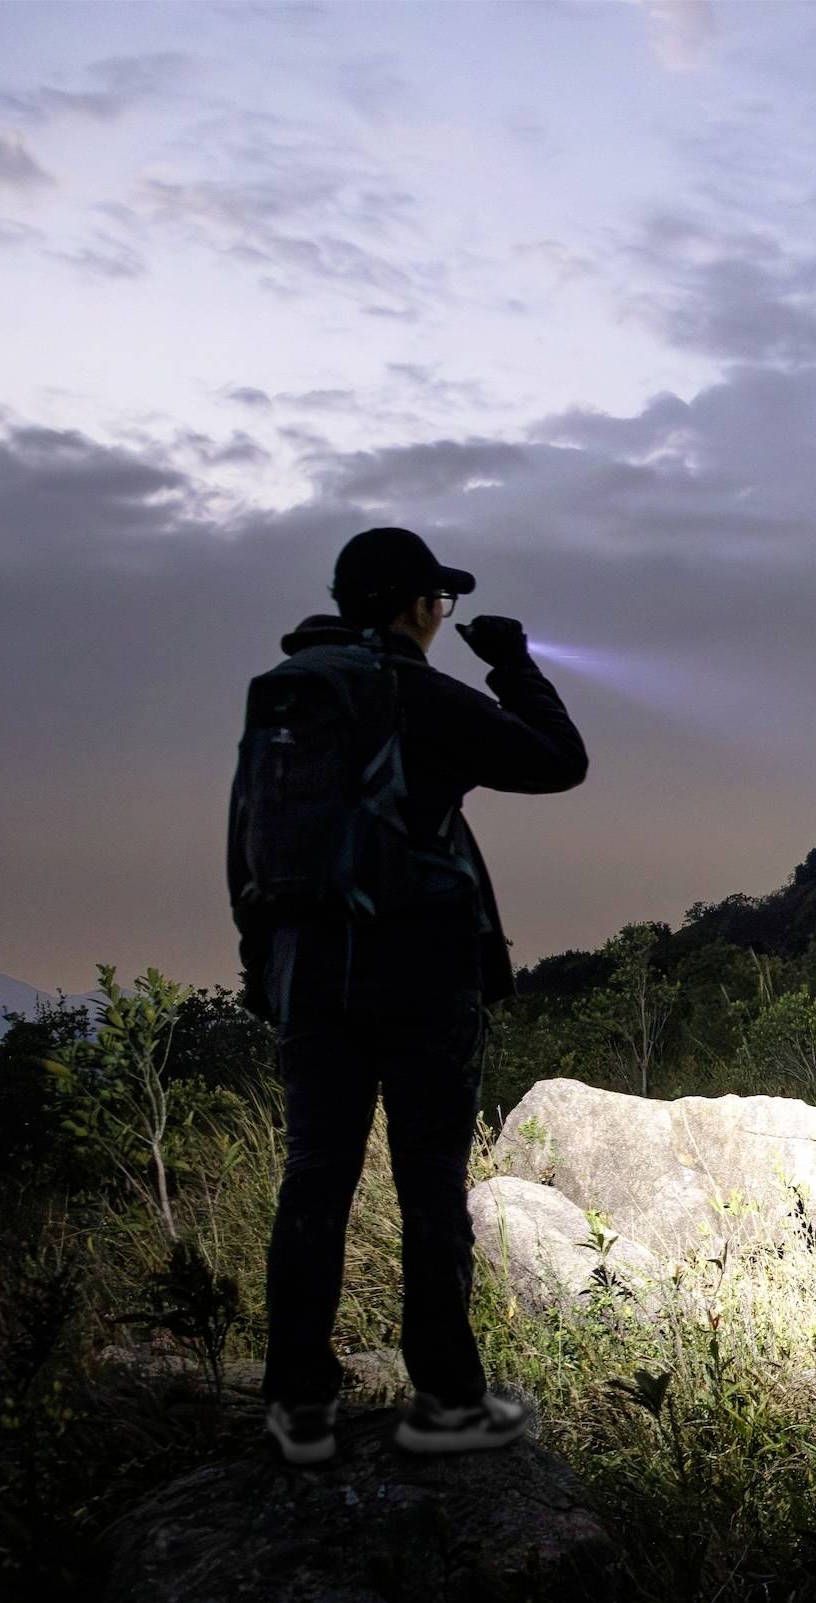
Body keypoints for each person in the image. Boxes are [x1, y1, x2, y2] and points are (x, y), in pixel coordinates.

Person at [231, 526, 589, 1465]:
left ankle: (297, 1407)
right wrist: (511, 661)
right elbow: (560, 762)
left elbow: (247, 840)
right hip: (423, 975)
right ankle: (447, 1403)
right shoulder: (421, 694)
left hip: (310, 972)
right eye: (442, 602)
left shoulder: (287, 694)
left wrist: (264, 966)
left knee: (316, 1177)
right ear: (415, 605)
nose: (444, 616)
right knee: (430, 1184)